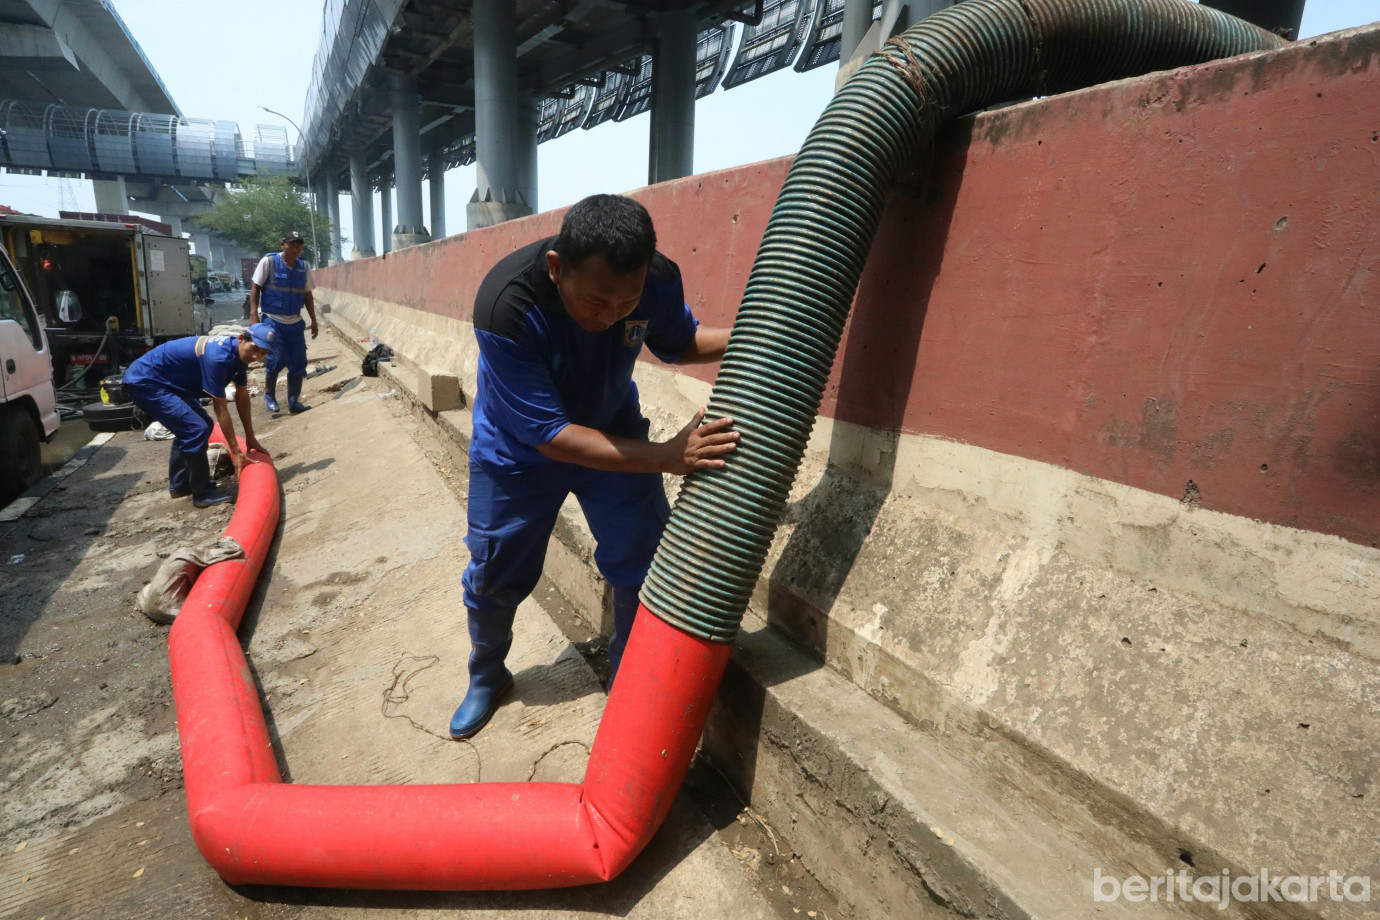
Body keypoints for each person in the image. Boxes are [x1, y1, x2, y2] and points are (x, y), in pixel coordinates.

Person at [450, 193, 737, 740]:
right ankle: (487, 673)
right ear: (557, 269)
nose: (609, 318)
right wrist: (668, 457)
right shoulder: (507, 305)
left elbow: (678, 343)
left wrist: (756, 331)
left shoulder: (653, 277)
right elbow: (550, 435)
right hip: (520, 454)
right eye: (597, 301)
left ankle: (629, 689)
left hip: (613, 436)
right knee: (494, 574)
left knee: (644, 561)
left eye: (626, 303)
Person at [123, 325, 273, 508]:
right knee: (195, 429)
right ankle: (202, 493)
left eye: (263, 353)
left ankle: (180, 485)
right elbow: (220, 407)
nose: (256, 356)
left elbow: (242, 396)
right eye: (254, 349)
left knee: (204, 425)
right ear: (241, 338)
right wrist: (235, 451)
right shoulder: (217, 357)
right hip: (146, 382)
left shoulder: (239, 356)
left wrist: (251, 439)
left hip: (170, 382)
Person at [248, 232, 318, 414]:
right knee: (276, 359)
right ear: (283, 244)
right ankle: (269, 395)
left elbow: (308, 295)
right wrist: (253, 315)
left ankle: (294, 402)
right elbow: (255, 287)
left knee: (299, 361)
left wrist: (314, 320)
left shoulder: (304, 267)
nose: (296, 249)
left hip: (295, 322)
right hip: (273, 320)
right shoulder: (269, 262)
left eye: (299, 246)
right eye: (292, 245)